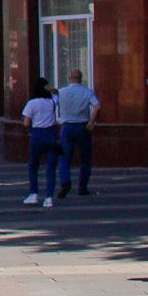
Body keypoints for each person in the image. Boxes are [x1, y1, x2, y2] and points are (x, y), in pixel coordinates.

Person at [53, 67, 100, 198]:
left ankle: (65, 182)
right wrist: (91, 121)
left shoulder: (61, 92)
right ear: (81, 79)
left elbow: (52, 104)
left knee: (64, 157)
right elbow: (97, 107)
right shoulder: (87, 92)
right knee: (85, 158)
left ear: (69, 78)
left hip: (67, 127)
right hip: (82, 127)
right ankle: (82, 187)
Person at [21, 77, 62, 207]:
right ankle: (49, 198)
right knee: (51, 168)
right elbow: (57, 93)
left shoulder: (31, 103)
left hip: (37, 135)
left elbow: (26, 123)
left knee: (33, 165)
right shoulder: (51, 102)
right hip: (51, 135)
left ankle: (33, 194)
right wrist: (50, 89)